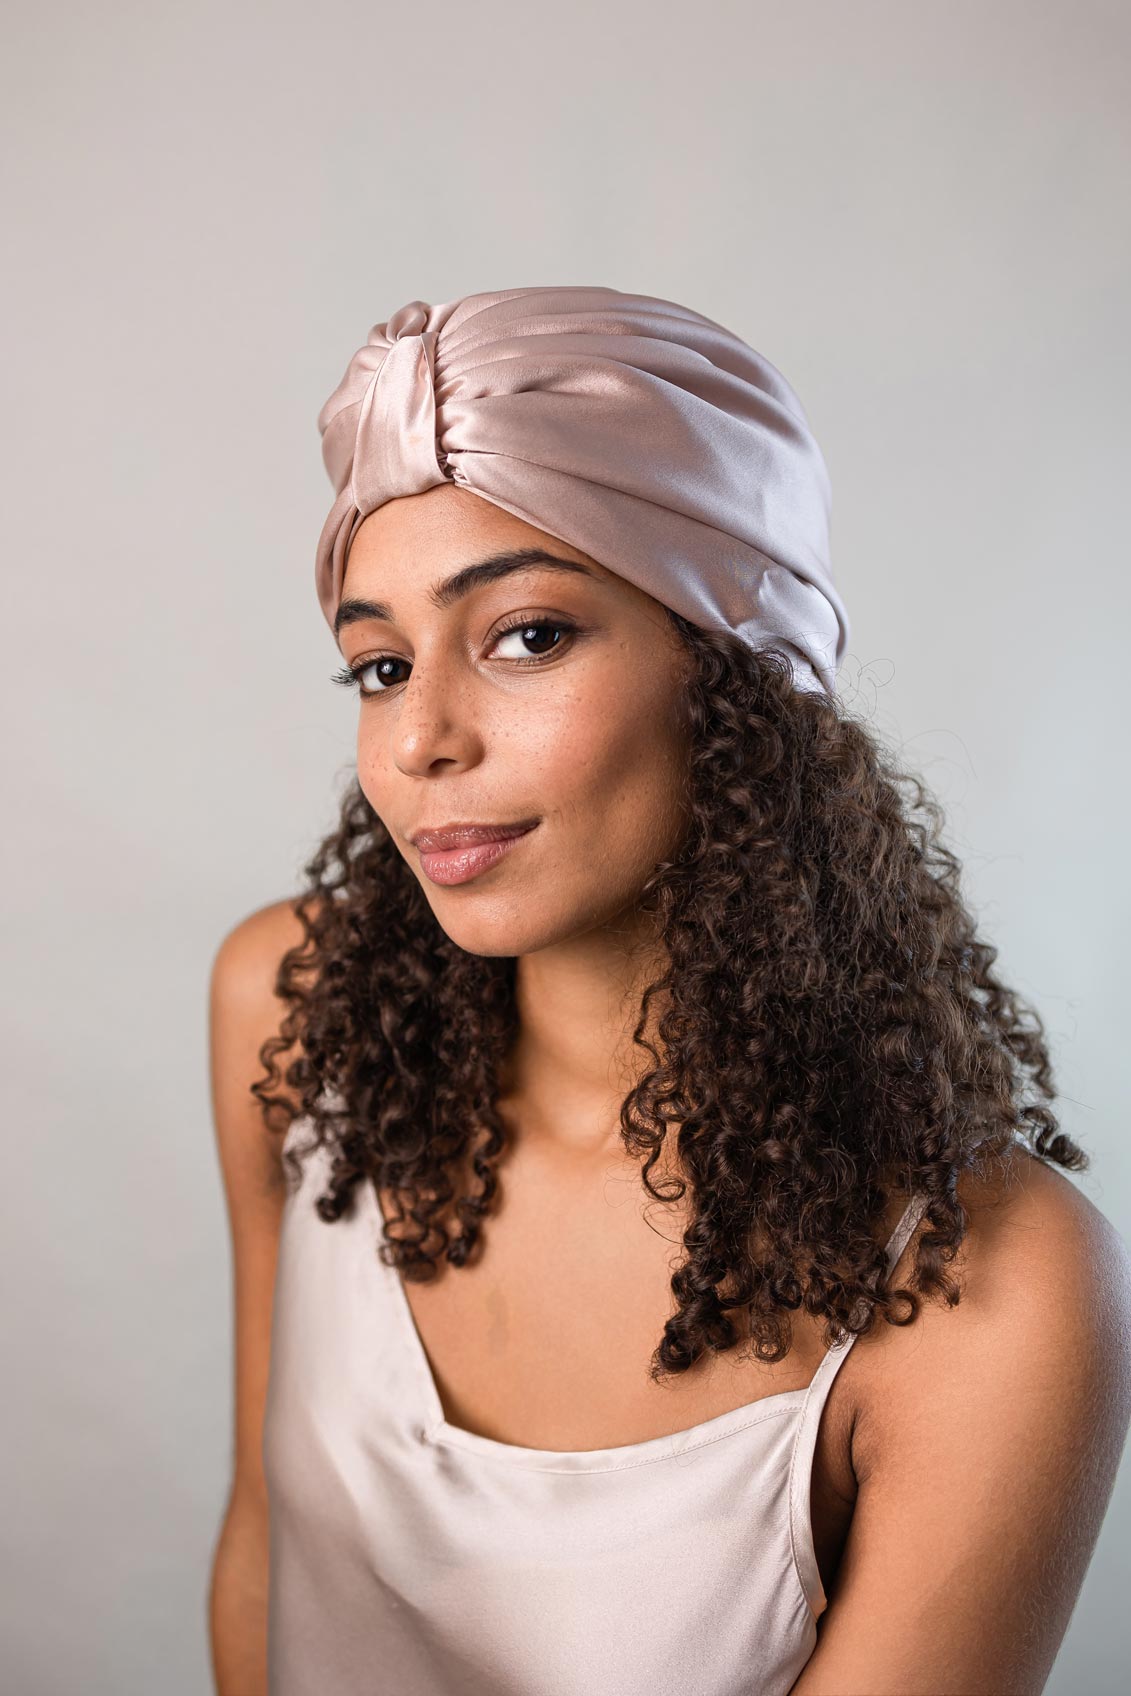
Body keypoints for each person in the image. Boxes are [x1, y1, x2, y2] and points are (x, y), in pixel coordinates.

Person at [207, 287, 1131, 1696]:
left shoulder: (991, 1290)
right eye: (380, 664)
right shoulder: (297, 1007)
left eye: (526, 636)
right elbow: (263, 1552)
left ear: (736, 669)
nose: (421, 740)